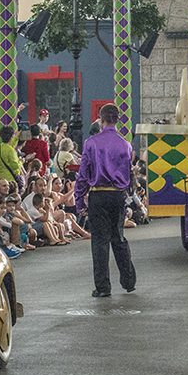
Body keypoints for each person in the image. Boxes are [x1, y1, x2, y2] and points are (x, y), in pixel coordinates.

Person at [74, 104, 136, 297]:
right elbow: (129, 173)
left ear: (101, 119)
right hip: (118, 195)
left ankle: (103, 287)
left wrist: (79, 201)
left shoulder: (91, 143)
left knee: (100, 242)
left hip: (98, 194)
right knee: (118, 238)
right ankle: (128, 281)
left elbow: (83, 174)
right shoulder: (125, 144)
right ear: (118, 120)